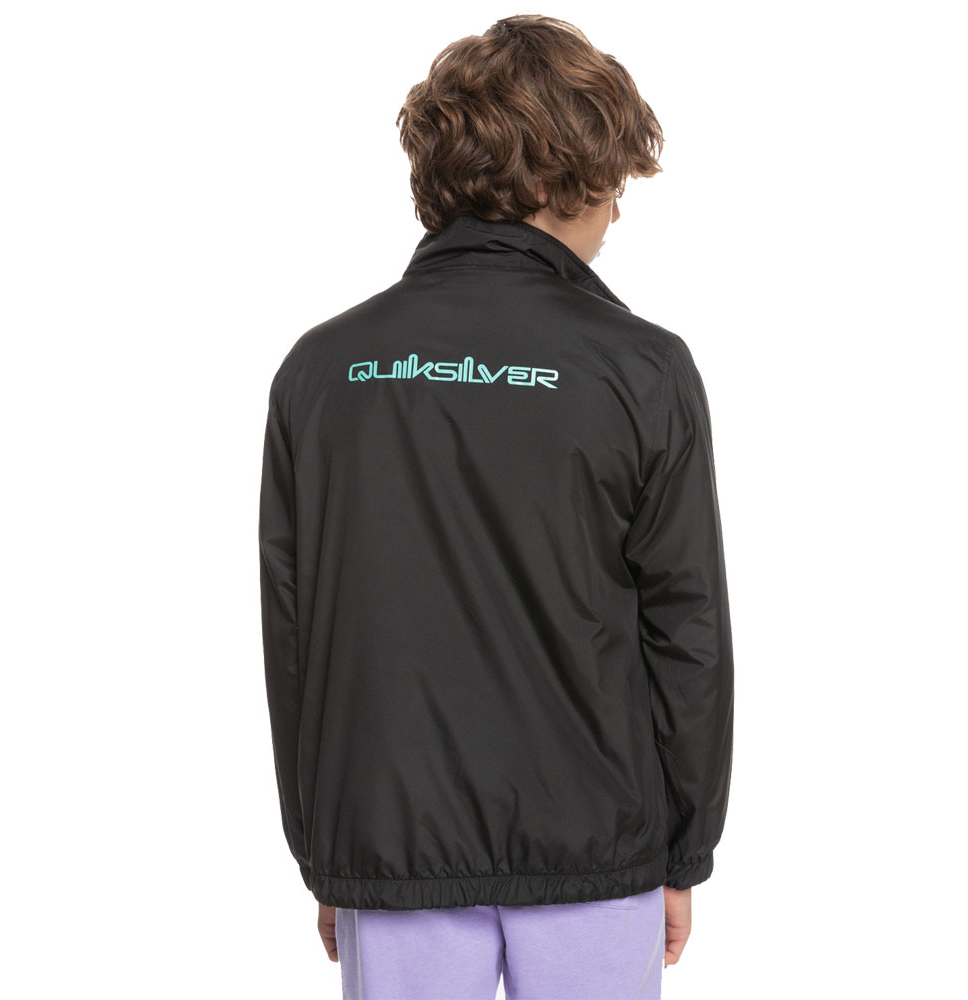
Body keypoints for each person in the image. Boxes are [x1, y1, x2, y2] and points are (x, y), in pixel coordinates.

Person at [258, 15, 734, 1000]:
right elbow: (685, 632)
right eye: (612, 181)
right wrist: (685, 849)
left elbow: (294, 638)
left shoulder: (322, 369)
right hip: (596, 851)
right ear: (562, 178)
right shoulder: (642, 369)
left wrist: (331, 853)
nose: (617, 213)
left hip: (390, 844)